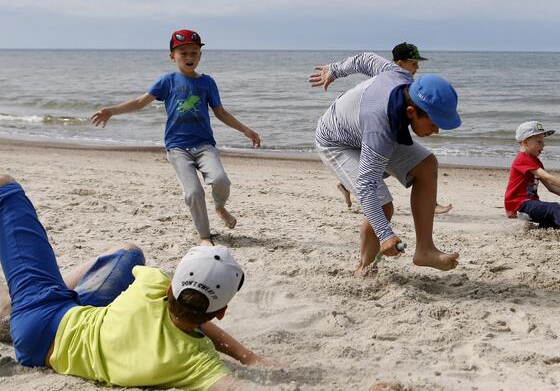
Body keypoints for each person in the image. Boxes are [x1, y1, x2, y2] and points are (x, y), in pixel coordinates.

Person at [0, 174, 268, 390]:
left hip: (43, 314)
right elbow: (233, 386)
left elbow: (142, 272)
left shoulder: (151, 284)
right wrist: (249, 358)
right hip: (40, 349)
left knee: (7, 187)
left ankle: (19, 302)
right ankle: (18, 304)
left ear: (168, 289)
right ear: (221, 313)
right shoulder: (198, 362)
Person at [91, 29, 261, 245]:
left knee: (220, 180)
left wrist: (246, 130)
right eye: (183, 53)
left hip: (204, 146)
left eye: (194, 53)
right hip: (177, 148)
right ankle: (205, 237)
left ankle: (219, 206)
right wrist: (112, 111)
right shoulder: (167, 81)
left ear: (200, 55)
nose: (189, 58)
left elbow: (220, 112)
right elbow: (140, 102)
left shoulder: (207, 82)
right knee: (193, 192)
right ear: (172, 56)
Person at [315, 71, 462, 274]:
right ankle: (365, 269)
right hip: (337, 143)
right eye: (434, 124)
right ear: (411, 111)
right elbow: (366, 187)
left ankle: (425, 250)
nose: (437, 131)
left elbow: (365, 58)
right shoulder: (380, 132)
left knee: (426, 165)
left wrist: (334, 69)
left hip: (363, 131)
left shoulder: (403, 79)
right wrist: (385, 234)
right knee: (383, 206)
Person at [309, 42, 453, 215]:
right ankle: (350, 182)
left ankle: (347, 183)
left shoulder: (411, 86)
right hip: (343, 136)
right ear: (400, 64)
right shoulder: (392, 72)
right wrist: (335, 70)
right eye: (414, 63)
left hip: (365, 132)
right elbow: (363, 59)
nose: (417, 68)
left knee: (422, 162)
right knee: (380, 195)